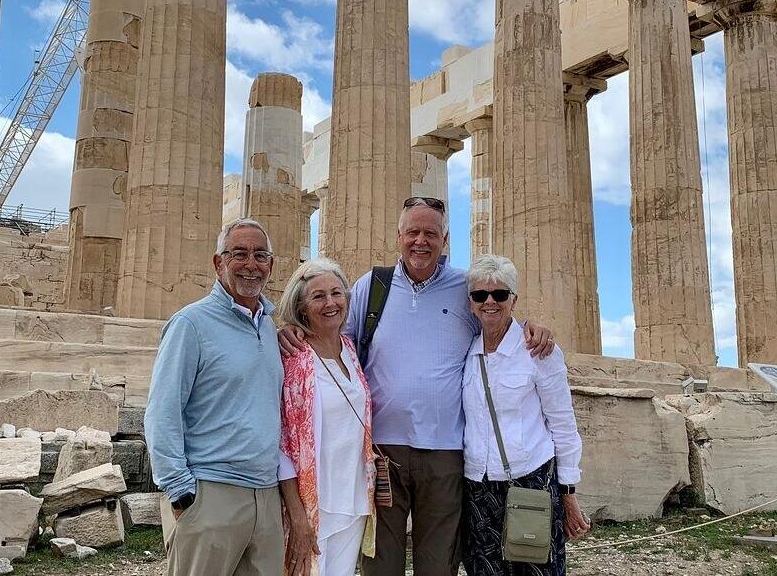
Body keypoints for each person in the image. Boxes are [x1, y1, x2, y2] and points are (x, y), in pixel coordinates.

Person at [280, 197, 555, 575]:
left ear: (445, 239)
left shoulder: (464, 288)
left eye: (430, 233)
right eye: (412, 232)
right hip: (382, 453)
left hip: (444, 451)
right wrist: (291, 330)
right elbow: (333, 339)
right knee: (381, 562)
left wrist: (533, 327)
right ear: (399, 236)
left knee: (438, 563)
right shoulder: (371, 287)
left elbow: (498, 320)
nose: (420, 241)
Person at [145, 218, 285, 576]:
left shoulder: (269, 326)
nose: (251, 264)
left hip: (266, 497)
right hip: (211, 492)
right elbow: (162, 411)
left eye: (260, 255)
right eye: (239, 254)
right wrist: (180, 491)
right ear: (218, 262)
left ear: (271, 264)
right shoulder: (190, 324)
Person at [461, 255, 589, 576]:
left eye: (500, 294)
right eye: (480, 295)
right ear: (471, 303)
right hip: (477, 488)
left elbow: (563, 423)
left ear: (514, 300)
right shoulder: (466, 352)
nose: (490, 301)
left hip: (531, 481)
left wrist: (568, 492)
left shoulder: (538, 351)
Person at [277, 258, 376, 576]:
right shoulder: (295, 358)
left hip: (354, 498)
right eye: (318, 296)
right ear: (302, 307)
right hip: (314, 502)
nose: (331, 303)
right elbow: (283, 444)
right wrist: (297, 515)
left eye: (336, 293)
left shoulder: (349, 348)